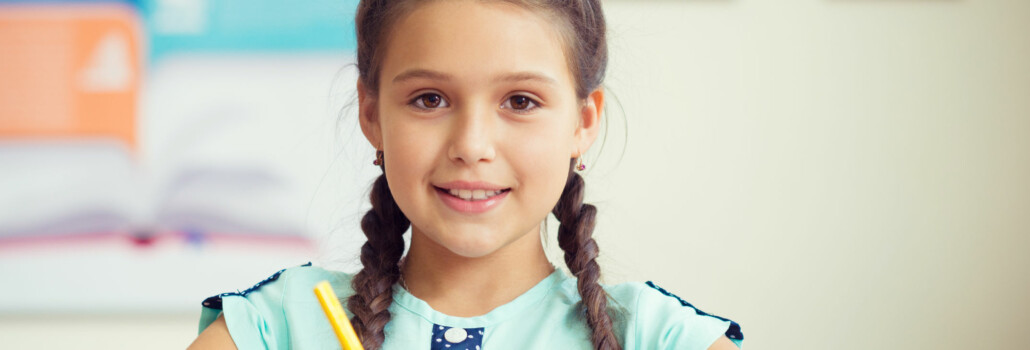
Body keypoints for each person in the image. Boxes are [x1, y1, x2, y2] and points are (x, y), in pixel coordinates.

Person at [188, 0, 743, 349]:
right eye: (429, 99)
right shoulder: (276, 327)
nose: (472, 146)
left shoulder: (659, 337)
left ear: (582, 121)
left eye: (521, 101)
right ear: (371, 114)